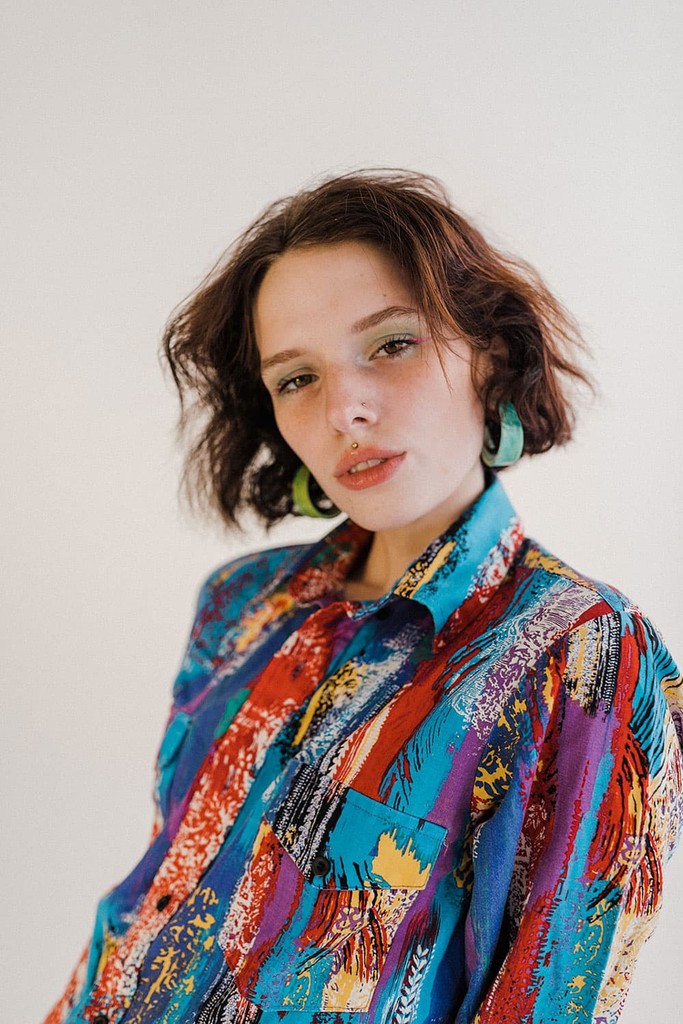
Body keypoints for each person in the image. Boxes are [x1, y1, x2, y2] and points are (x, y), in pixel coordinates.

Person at [45, 170, 683, 1024]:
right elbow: (160, 891)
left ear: (487, 353)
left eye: (391, 345)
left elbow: (553, 997)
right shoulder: (240, 605)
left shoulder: (583, 651)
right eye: (296, 378)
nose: (345, 409)